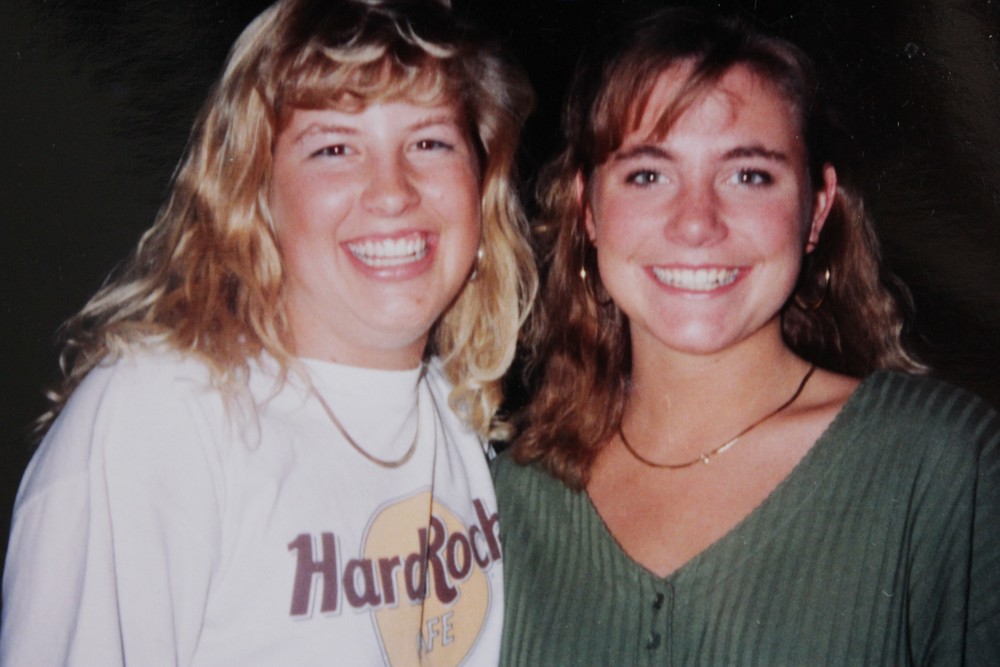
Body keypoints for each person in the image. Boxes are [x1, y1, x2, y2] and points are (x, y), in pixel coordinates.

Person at [1, 0, 536, 664]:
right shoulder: (160, 416)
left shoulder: (460, 418)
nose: (392, 191)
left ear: (482, 182)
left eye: (430, 142)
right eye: (334, 148)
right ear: (255, 192)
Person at [493, 7, 999, 665]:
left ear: (816, 210)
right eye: (648, 174)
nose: (696, 222)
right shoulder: (503, 499)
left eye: (748, 175)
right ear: (588, 208)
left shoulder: (942, 465)